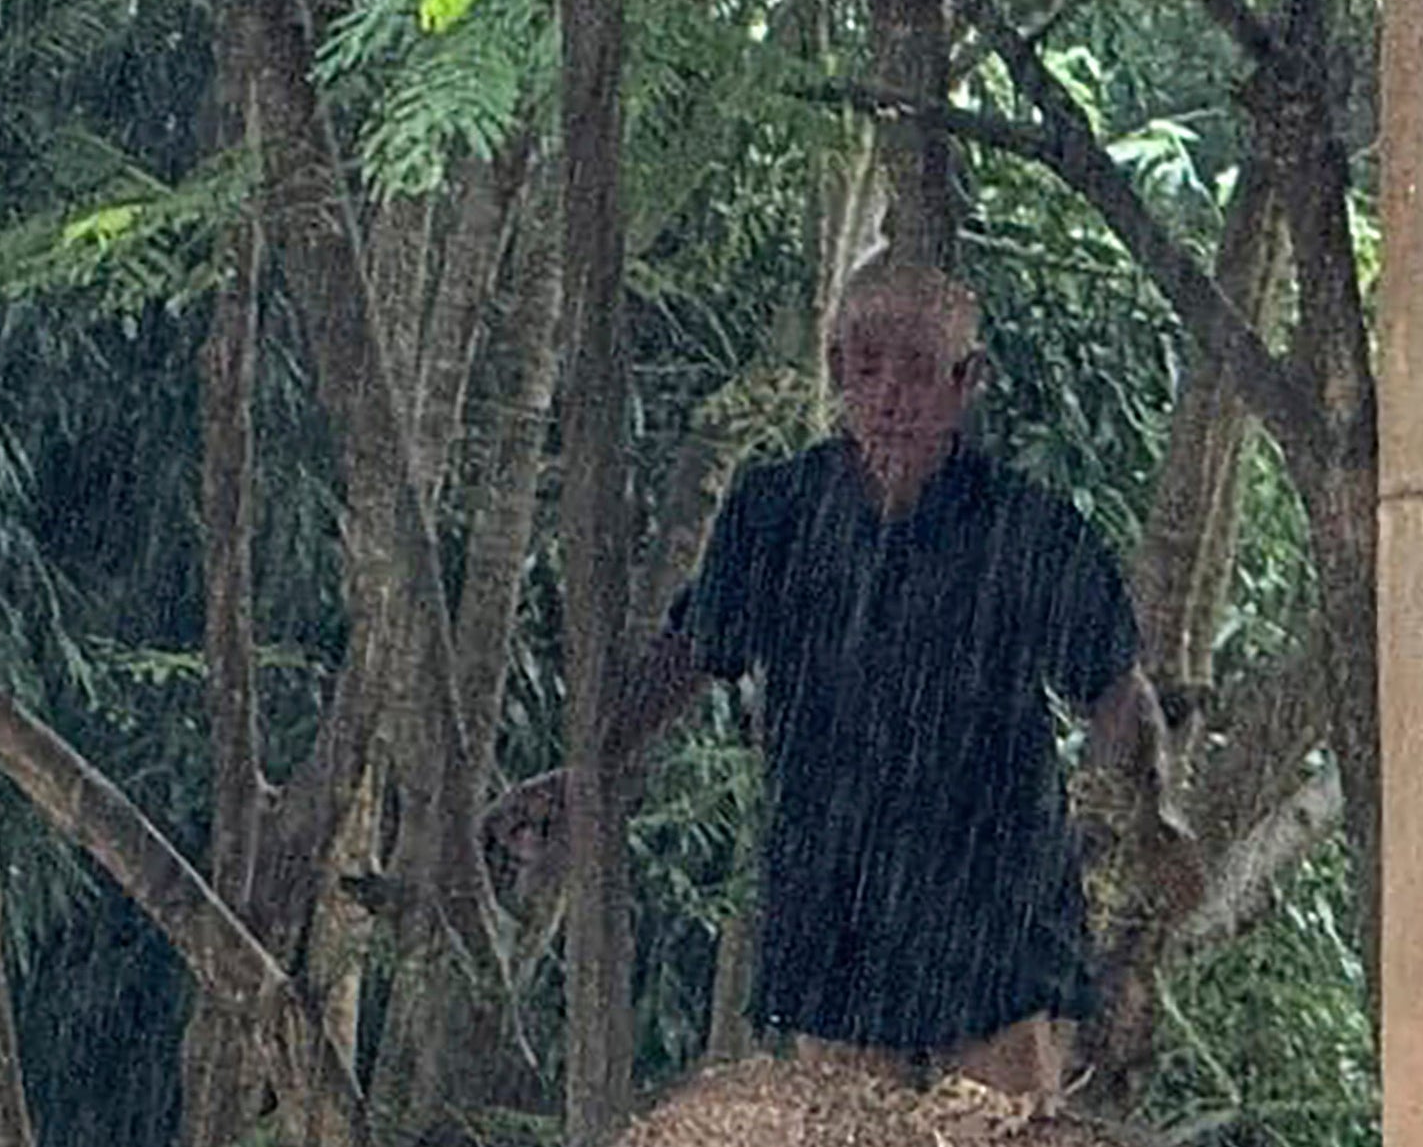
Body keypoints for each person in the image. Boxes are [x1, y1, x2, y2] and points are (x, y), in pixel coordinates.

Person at [490, 260, 1190, 1103]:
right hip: (835, 896)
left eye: (920, 371)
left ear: (968, 382)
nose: (891, 396)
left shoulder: (1029, 527)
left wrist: (1145, 820)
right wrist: (590, 771)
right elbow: (692, 650)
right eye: (866, 367)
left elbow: (1117, 692)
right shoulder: (777, 511)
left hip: (996, 904)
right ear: (835, 371)